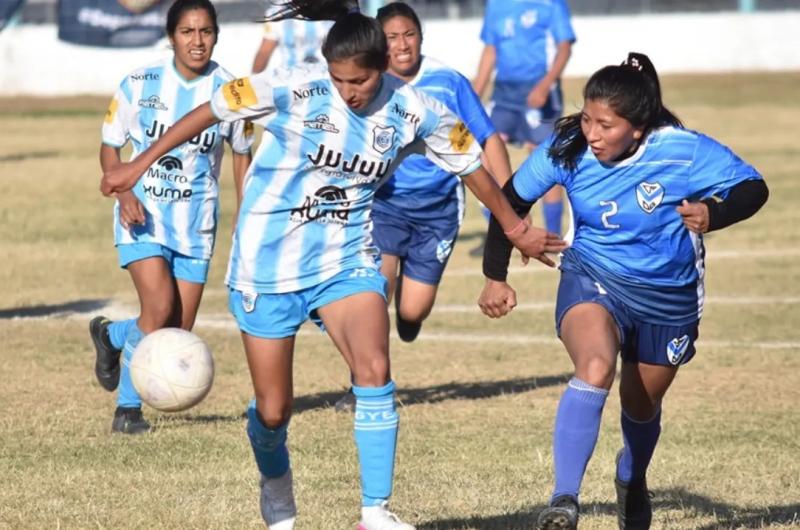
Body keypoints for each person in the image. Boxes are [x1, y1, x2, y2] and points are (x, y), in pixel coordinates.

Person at [100, 1, 568, 528]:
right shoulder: (290, 85)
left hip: (344, 259)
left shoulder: (416, 109)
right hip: (266, 266)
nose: (350, 91)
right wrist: (138, 162)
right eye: (340, 79)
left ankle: (375, 511)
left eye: (361, 81)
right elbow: (210, 110)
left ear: (382, 67)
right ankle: (276, 489)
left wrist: (514, 227)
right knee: (274, 411)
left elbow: (473, 165)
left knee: (374, 368)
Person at [478, 52, 769, 530]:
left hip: (668, 295)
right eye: (588, 118)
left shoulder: (682, 150)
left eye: (605, 125)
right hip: (594, 274)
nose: (591, 133)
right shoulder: (567, 148)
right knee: (594, 367)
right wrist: (495, 274)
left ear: (638, 128)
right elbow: (510, 200)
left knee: (640, 405)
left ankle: (631, 479)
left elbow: (752, 187)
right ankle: (563, 500)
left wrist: (715, 214)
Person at [332, 1, 513, 413]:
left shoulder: (449, 82)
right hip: (384, 206)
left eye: (408, 35)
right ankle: (363, 383)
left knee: (412, 310)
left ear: (421, 37)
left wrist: (507, 201)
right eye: (392, 37)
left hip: (438, 211)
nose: (401, 44)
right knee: (374, 293)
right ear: (380, 43)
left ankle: (408, 320)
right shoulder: (368, 84)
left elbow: (488, 140)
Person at [89, 0, 253, 435]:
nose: (197, 41)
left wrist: (245, 211)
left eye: (205, 32)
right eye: (187, 32)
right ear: (171, 36)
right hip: (141, 214)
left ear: (216, 35)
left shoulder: (231, 90)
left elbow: (242, 154)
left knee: (176, 330)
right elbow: (111, 144)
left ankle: (112, 337)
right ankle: (127, 412)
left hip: (196, 224)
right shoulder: (140, 82)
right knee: (158, 308)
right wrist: (123, 191)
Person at [472, 0, 576, 254]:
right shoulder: (496, 5)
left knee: (543, 159)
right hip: (504, 94)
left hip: (538, 91)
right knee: (481, 152)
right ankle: (501, 228)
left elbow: (564, 48)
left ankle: (552, 238)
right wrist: (472, 98)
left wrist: (546, 83)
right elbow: (490, 51)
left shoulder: (551, 4)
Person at [251, 11, 332, 74]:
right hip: (291, 82)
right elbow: (264, 52)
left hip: (328, 81)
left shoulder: (335, 9)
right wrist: (253, 84)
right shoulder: (276, 12)